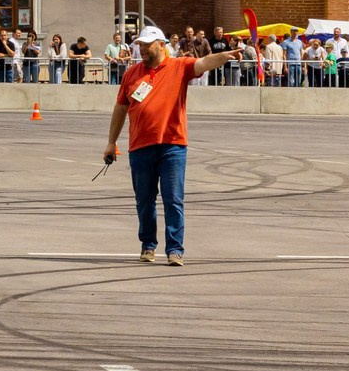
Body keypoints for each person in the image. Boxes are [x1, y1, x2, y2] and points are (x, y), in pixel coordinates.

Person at [101, 24, 243, 266]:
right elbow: (121, 109)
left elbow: (203, 64)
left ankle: (175, 249)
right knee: (144, 201)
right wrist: (111, 142)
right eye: (140, 45)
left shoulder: (179, 66)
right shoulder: (131, 74)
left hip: (173, 146)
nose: (143, 49)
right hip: (139, 146)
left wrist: (224, 56)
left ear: (162, 45)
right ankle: (148, 246)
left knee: (173, 199)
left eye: (147, 45)